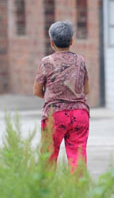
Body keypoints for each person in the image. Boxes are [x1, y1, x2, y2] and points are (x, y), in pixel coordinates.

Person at [34, 21, 90, 171]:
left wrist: (53, 96)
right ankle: (77, 191)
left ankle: (47, 190)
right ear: (71, 41)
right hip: (80, 114)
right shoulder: (81, 60)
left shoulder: (46, 62)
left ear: (51, 42)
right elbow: (86, 90)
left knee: (48, 156)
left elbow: (37, 91)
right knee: (77, 155)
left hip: (55, 115)